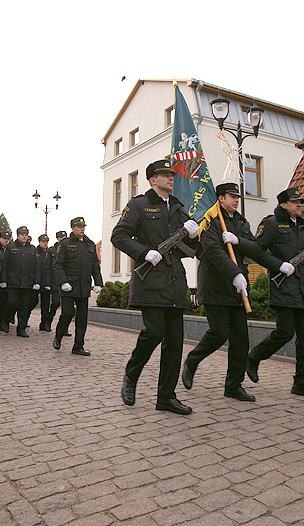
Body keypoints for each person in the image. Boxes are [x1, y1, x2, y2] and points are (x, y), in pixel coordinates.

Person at [181, 183, 289, 402]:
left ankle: (233, 385)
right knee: (219, 333)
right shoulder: (210, 220)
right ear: (220, 198)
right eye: (232, 197)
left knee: (241, 339)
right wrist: (234, 273)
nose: (236, 200)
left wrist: (239, 241)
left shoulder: (241, 221)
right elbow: (211, 251)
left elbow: (256, 248)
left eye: (238, 197)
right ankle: (193, 360)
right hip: (215, 286)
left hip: (237, 289)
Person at [111, 159, 199, 415]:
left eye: (172, 175)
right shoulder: (139, 204)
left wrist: (194, 236)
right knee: (155, 332)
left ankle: (166, 397)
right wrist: (144, 252)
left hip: (174, 282)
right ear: (152, 179)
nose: (171, 178)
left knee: (175, 342)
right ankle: (132, 373)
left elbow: (191, 251)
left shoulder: (180, 209)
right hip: (150, 281)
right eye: (164, 175)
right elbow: (119, 236)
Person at [246, 186, 304, 398]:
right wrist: (278, 265)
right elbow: (256, 250)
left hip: (303, 288)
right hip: (283, 287)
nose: (299, 204)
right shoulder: (271, 223)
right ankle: (254, 357)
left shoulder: (302, 226)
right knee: (285, 333)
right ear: (283, 204)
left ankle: (302, 383)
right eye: (295, 202)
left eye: (300, 201)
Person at [52, 218, 103, 355]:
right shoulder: (65, 244)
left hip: (83, 286)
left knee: (82, 317)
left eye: (83, 226)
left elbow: (94, 266)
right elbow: (57, 265)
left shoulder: (89, 244)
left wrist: (98, 282)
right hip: (68, 286)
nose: (81, 229)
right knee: (67, 313)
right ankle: (58, 336)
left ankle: (78, 346)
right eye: (78, 226)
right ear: (73, 228)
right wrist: (63, 282)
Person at [0, 226, 40, 338]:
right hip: (13, 281)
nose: (24, 236)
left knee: (24, 306)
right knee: (12, 303)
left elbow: (36, 266)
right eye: (22, 234)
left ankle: (21, 329)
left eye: (26, 235)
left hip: (27, 281)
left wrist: (37, 281)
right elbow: (5, 265)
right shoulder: (11, 247)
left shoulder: (32, 249)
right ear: (17, 236)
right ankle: (6, 320)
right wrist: (3, 280)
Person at [29, 234, 52, 331]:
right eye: (43, 242)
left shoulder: (49, 253)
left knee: (45, 305)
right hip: (36, 281)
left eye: (46, 242)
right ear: (39, 242)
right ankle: (25, 318)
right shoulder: (35, 252)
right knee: (32, 302)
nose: (45, 243)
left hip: (46, 282)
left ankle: (44, 324)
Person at [47, 231, 67, 332]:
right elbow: (49, 267)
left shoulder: (68, 248)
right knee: (55, 303)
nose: (62, 239)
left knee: (66, 308)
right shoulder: (52, 250)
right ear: (57, 239)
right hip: (55, 281)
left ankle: (64, 329)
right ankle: (48, 322)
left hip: (66, 281)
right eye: (60, 237)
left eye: (64, 237)